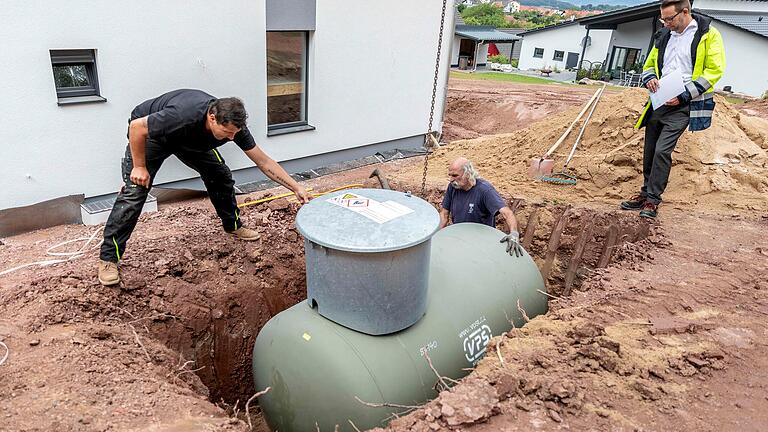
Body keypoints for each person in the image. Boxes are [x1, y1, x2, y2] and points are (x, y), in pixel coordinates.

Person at [97, 89, 310, 286]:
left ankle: (233, 225)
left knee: (220, 175)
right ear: (212, 118)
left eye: (234, 134)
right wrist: (140, 167)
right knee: (136, 191)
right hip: (153, 136)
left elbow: (263, 161)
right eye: (226, 133)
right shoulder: (182, 116)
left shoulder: (235, 128)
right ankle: (108, 259)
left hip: (190, 141)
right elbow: (137, 127)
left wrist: (295, 187)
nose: (231, 138)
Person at [621, 0, 725, 219]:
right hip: (660, 100)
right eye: (663, 19)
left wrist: (684, 95)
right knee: (650, 149)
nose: (665, 23)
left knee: (662, 151)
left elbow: (714, 71)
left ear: (685, 12)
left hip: (685, 105)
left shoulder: (708, 34)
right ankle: (644, 193)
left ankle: (653, 200)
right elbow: (648, 64)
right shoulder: (664, 35)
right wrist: (649, 78)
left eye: (669, 19)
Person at [439, 157, 523, 257]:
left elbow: (507, 213)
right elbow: (444, 214)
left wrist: (514, 233)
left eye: (455, 175)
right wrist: (436, 235)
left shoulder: (484, 190)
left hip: (482, 242)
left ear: (468, 173)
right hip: (460, 238)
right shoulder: (453, 187)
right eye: (450, 175)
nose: (451, 179)